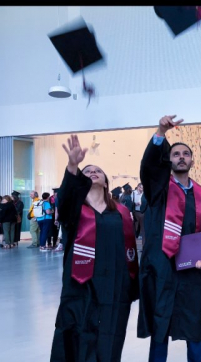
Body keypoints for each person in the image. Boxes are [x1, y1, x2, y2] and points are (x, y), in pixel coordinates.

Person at [50, 134, 140, 361]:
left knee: (111, 333)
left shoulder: (120, 212)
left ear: (106, 181)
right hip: (81, 282)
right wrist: (73, 165)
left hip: (114, 281)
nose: (93, 171)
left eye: (97, 170)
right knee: (77, 330)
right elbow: (65, 197)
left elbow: (129, 248)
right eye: (87, 170)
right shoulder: (74, 209)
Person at [137, 115, 201, 362]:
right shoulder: (157, 190)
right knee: (160, 326)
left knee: (193, 326)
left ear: (192, 161)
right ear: (168, 161)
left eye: (185, 154)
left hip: (192, 271)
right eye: (176, 154)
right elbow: (149, 167)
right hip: (161, 268)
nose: (181, 157)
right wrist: (161, 132)